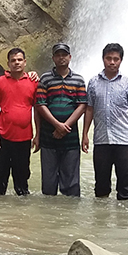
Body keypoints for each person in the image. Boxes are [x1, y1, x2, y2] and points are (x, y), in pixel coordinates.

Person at [81, 42, 128, 200]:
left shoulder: (127, 83)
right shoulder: (93, 82)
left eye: (116, 59)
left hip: (124, 140)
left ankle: (124, 222)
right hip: (101, 139)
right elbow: (89, 109)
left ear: (121, 60)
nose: (112, 62)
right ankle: (101, 221)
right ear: (103, 59)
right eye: (109, 58)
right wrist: (85, 135)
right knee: (101, 185)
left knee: (125, 186)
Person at [34, 42, 87, 197]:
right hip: (48, 137)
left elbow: (82, 105)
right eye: (58, 55)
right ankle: (50, 217)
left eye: (64, 55)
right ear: (53, 58)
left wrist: (65, 126)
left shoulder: (78, 79)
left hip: (70, 138)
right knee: (49, 183)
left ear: (70, 57)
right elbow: (40, 104)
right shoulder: (45, 78)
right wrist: (57, 125)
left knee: (71, 183)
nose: (61, 57)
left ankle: (69, 217)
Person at [0, 47, 38, 195]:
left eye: (19, 60)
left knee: (22, 180)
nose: (16, 63)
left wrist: (38, 135)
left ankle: (21, 215)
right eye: (13, 60)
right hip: (2, 136)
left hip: (24, 138)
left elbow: (37, 111)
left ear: (25, 62)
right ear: (8, 63)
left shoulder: (33, 82)